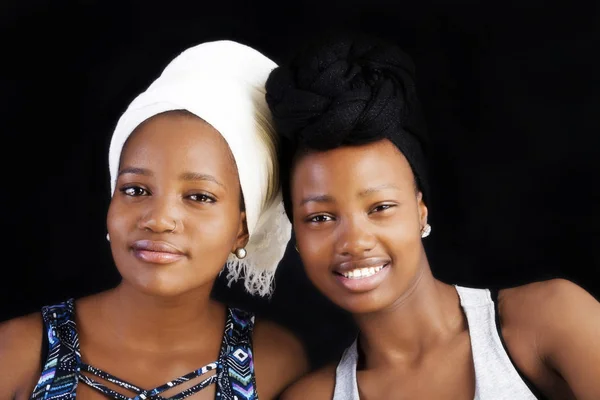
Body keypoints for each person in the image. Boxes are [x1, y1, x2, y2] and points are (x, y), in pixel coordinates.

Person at [265, 32, 600, 399]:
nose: (354, 241)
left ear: (420, 210)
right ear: (295, 233)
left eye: (380, 208)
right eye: (320, 218)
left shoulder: (547, 322)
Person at [0, 40, 308, 400]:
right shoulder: (17, 353)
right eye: (135, 190)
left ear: (241, 229)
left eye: (199, 197)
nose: (159, 220)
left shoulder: (273, 364)